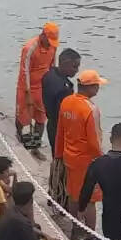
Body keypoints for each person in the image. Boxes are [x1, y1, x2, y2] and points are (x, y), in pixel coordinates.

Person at [54, 70, 108, 240]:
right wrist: (103, 161)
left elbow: (60, 131)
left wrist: (58, 155)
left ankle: (76, 229)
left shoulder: (67, 102)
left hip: (70, 158)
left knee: (73, 194)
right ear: (90, 87)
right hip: (87, 161)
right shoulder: (90, 110)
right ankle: (91, 238)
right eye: (97, 85)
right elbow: (94, 141)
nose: (99, 88)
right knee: (90, 200)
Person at [42, 48, 80, 212]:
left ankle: (54, 194)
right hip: (60, 129)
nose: (76, 70)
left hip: (51, 124)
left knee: (56, 161)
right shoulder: (62, 88)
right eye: (74, 66)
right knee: (63, 165)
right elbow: (65, 113)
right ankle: (60, 197)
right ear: (64, 63)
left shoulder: (49, 75)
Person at [15, 22, 59, 150]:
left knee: (41, 119)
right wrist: (28, 93)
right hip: (26, 87)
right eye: (49, 40)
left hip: (42, 88)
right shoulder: (29, 48)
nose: (50, 43)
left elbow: (52, 67)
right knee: (23, 118)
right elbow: (25, 71)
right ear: (43, 35)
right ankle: (19, 137)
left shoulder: (53, 47)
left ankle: (34, 146)